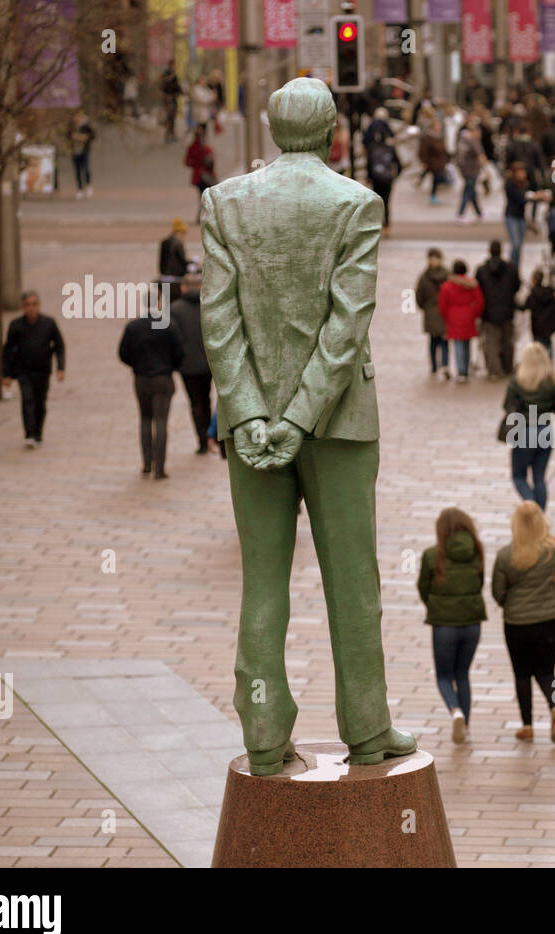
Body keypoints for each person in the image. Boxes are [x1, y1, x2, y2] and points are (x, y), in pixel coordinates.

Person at [200, 78, 417, 772]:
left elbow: (219, 322)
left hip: (251, 426)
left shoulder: (224, 203)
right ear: (332, 134)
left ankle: (262, 733)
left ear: (269, 130)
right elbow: (347, 327)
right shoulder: (356, 204)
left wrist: (253, 415)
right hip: (340, 423)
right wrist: (300, 417)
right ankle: (367, 726)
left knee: (262, 582)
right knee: (353, 582)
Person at [491, 502, 555, 743]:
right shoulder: (554, 548)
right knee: (547, 671)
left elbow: (498, 593)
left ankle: (527, 725)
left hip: (517, 624)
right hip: (551, 620)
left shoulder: (505, 555)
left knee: (522, 674)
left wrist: (512, 602)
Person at [417, 508, 487, 744]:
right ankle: (465, 725)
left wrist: (436, 607)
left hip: (444, 626)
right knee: (462, 674)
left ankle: (455, 711)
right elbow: (479, 583)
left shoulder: (431, 555)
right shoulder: (477, 553)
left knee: (444, 676)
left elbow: (423, 588)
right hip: (472, 624)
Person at [118, 291, 184, 479]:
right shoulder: (169, 326)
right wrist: (170, 367)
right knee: (161, 421)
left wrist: (138, 366)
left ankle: (147, 462)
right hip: (163, 378)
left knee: (145, 419)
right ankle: (160, 467)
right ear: (160, 303)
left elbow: (123, 353)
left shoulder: (133, 327)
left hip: (141, 379)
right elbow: (180, 353)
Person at [501, 343, 555, 510]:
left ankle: (533, 509)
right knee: (539, 478)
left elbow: (507, 405)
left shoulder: (517, 381)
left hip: (524, 431)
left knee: (519, 476)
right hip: (545, 431)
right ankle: (540, 517)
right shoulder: (552, 383)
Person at [1, 291, 65, 449]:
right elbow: (8, 350)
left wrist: (60, 368)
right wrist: (6, 374)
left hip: (43, 370)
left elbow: (59, 346)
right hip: (23, 370)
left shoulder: (49, 323)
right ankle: (29, 434)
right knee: (27, 400)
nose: (31, 308)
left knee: (40, 402)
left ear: (39, 305)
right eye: (28, 305)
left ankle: (38, 433)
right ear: (23, 307)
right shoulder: (16, 325)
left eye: (34, 304)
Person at [169, 271, 212, 455]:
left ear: (183, 288)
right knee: (207, 398)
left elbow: (171, 339)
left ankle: (202, 440)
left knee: (195, 402)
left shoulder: (174, 309)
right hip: (209, 362)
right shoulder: (209, 306)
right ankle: (211, 435)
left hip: (187, 365)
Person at [475, 239, 521, 381]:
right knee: (508, 341)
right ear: (501, 251)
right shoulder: (511, 268)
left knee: (491, 342)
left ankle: (494, 371)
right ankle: (507, 368)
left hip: (488, 312)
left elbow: (477, 290)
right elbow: (516, 286)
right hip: (507, 310)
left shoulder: (482, 270)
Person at [438, 259, 485, 384]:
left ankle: (461, 371)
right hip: (469, 315)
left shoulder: (447, 286)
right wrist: (475, 313)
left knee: (458, 344)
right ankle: (465, 369)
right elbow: (480, 302)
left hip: (453, 316)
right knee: (467, 343)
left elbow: (442, 305)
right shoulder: (473, 284)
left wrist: (446, 317)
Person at [504, 161, 550, 271]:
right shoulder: (509, 185)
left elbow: (534, 192)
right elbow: (520, 198)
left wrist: (540, 196)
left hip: (522, 217)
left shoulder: (526, 184)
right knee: (515, 244)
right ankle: (512, 268)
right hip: (511, 216)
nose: (522, 174)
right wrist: (534, 196)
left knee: (519, 246)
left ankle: (516, 269)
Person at [415, 247, 451, 379]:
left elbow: (419, 297)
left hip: (430, 313)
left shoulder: (424, 277)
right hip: (444, 313)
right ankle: (445, 365)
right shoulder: (448, 275)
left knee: (433, 342)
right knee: (444, 341)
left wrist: (425, 307)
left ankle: (434, 367)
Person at [366, 136, 401, 237]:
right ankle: (387, 227)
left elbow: (369, 164)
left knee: (377, 203)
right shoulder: (390, 149)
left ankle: (376, 226)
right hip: (387, 180)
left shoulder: (372, 148)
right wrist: (395, 176)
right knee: (386, 202)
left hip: (376, 180)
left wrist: (370, 177)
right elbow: (399, 164)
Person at [523, 268, 555, 357]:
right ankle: (549, 362)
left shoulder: (533, 294)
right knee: (548, 344)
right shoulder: (550, 292)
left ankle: (540, 363)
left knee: (537, 347)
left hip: (537, 326)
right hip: (548, 325)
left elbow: (525, 307)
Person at [453, 125, 487, 223]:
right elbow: (481, 156)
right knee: (468, 192)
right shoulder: (474, 141)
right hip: (472, 170)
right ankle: (461, 214)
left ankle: (479, 213)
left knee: (472, 192)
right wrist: (486, 171)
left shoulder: (462, 140)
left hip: (464, 170)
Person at [184, 125, 214, 223]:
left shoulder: (192, 147)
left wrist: (195, 164)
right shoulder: (206, 147)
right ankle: (204, 216)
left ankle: (202, 216)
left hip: (198, 176)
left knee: (202, 197)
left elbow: (187, 162)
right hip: (206, 176)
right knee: (206, 197)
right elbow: (211, 162)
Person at [69, 110, 95, 199]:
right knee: (77, 171)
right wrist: (73, 137)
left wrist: (84, 137)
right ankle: (80, 189)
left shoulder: (86, 125)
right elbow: (67, 135)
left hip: (84, 151)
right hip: (75, 151)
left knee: (86, 168)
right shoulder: (72, 125)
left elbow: (93, 135)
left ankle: (88, 185)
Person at [159, 63, 181, 142]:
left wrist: (180, 92)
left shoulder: (174, 75)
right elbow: (163, 84)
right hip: (168, 98)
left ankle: (172, 134)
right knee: (169, 117)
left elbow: (177, 86)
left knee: (172, 118)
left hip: (173, 98)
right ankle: (168, 135)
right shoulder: (167, 74)